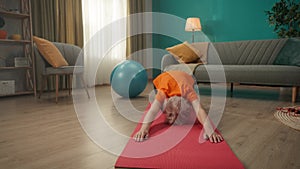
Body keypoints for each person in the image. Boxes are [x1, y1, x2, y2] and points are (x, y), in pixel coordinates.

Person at [133, 70, 223, 143]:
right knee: (157, 103)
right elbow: (152, 111)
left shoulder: (188, 91)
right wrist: (144, 129)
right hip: (166, 76)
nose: (171, 121)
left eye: (172, 117)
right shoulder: (164, 90)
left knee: (195, 103)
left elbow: (200, 110)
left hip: (185, 78)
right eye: (171, 115)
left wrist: (209, 130)